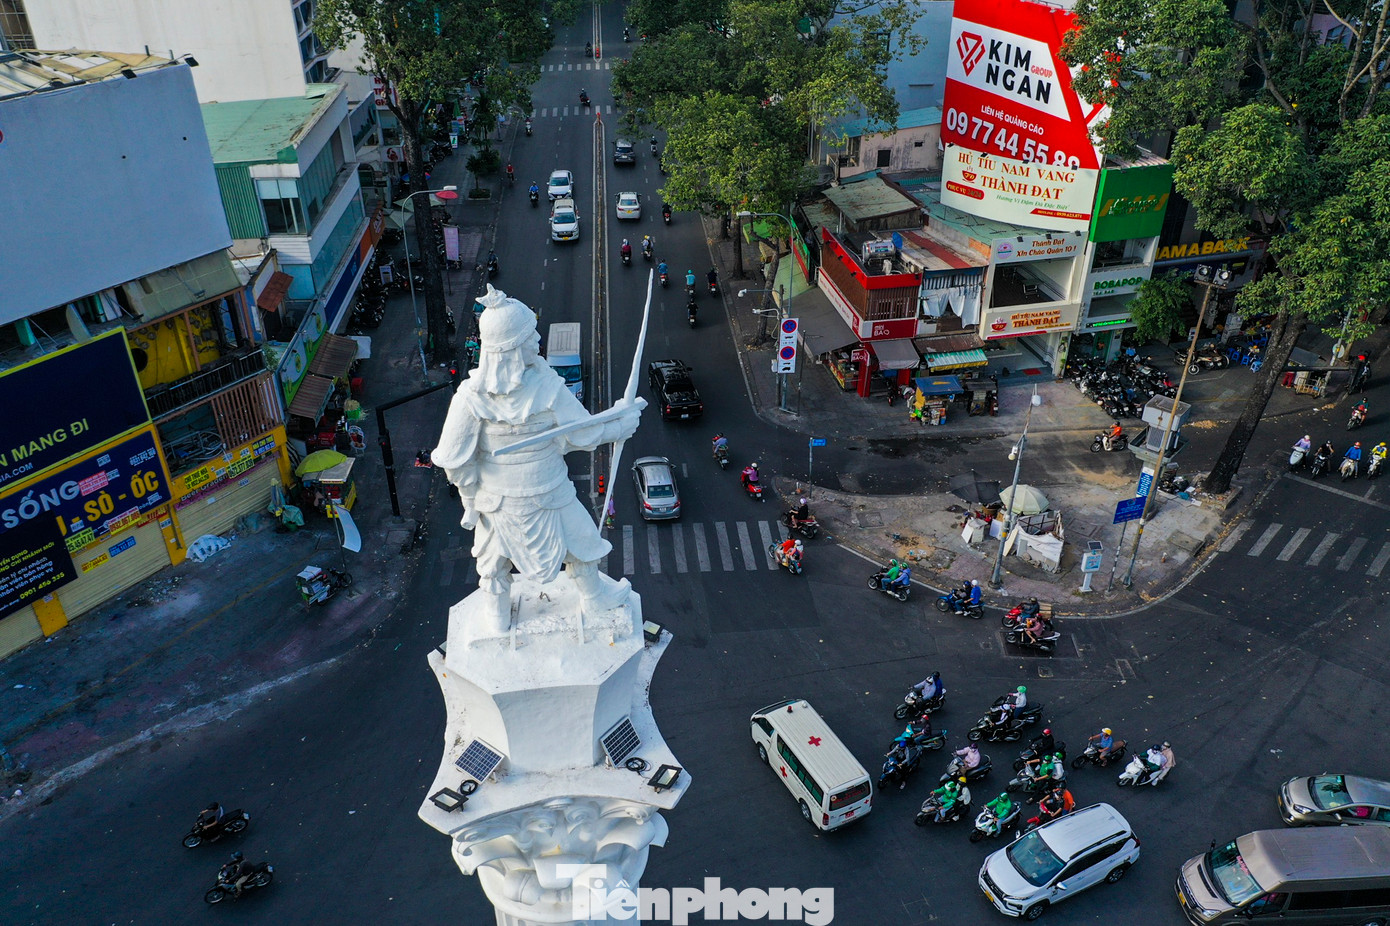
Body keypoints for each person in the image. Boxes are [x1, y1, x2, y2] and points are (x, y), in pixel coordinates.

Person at [430, 287, 643, 636]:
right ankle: (584, 597)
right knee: (580, 544)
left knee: (503, 558)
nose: (538, 340)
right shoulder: (544, 388)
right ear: (512, 347)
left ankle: (514, 610)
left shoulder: (470, 397)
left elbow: (454, 459)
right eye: (530, 335)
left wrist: (619, 419)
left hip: (503, 496)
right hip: (543, 493)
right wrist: (620, 425)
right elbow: (583, 435)